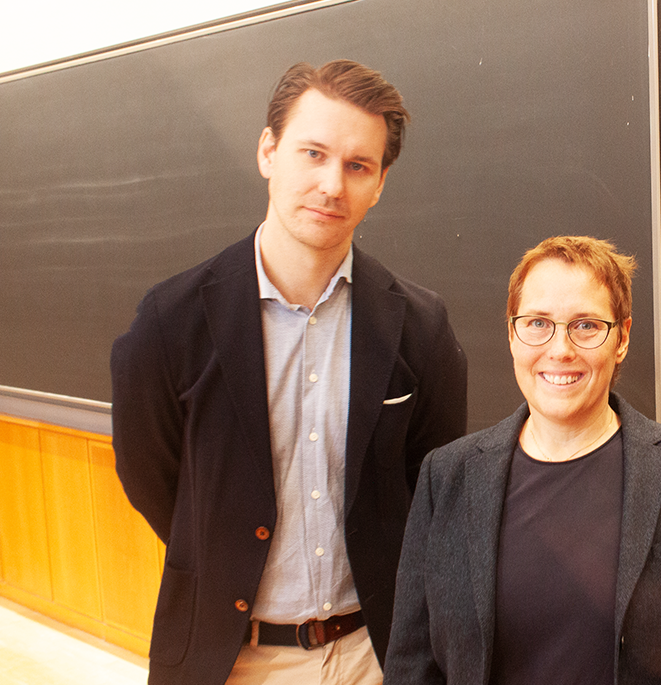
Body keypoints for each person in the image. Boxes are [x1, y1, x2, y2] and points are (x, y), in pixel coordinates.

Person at [110, 60, 468, 685]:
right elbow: (152, 477)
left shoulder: (420, 326)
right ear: (268, 152)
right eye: (313, 153)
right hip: (231, 659)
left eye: (358, 166)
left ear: (380, 183)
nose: (332, 184)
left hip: (375, 656)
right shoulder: (171, 319)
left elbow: (434, 488)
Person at [383, 236, 661, 685]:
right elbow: (412, 665)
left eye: (585, 325)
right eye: (538, 323)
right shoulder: (447, 476)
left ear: (621, 338)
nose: (560, 349)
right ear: (512, 333)